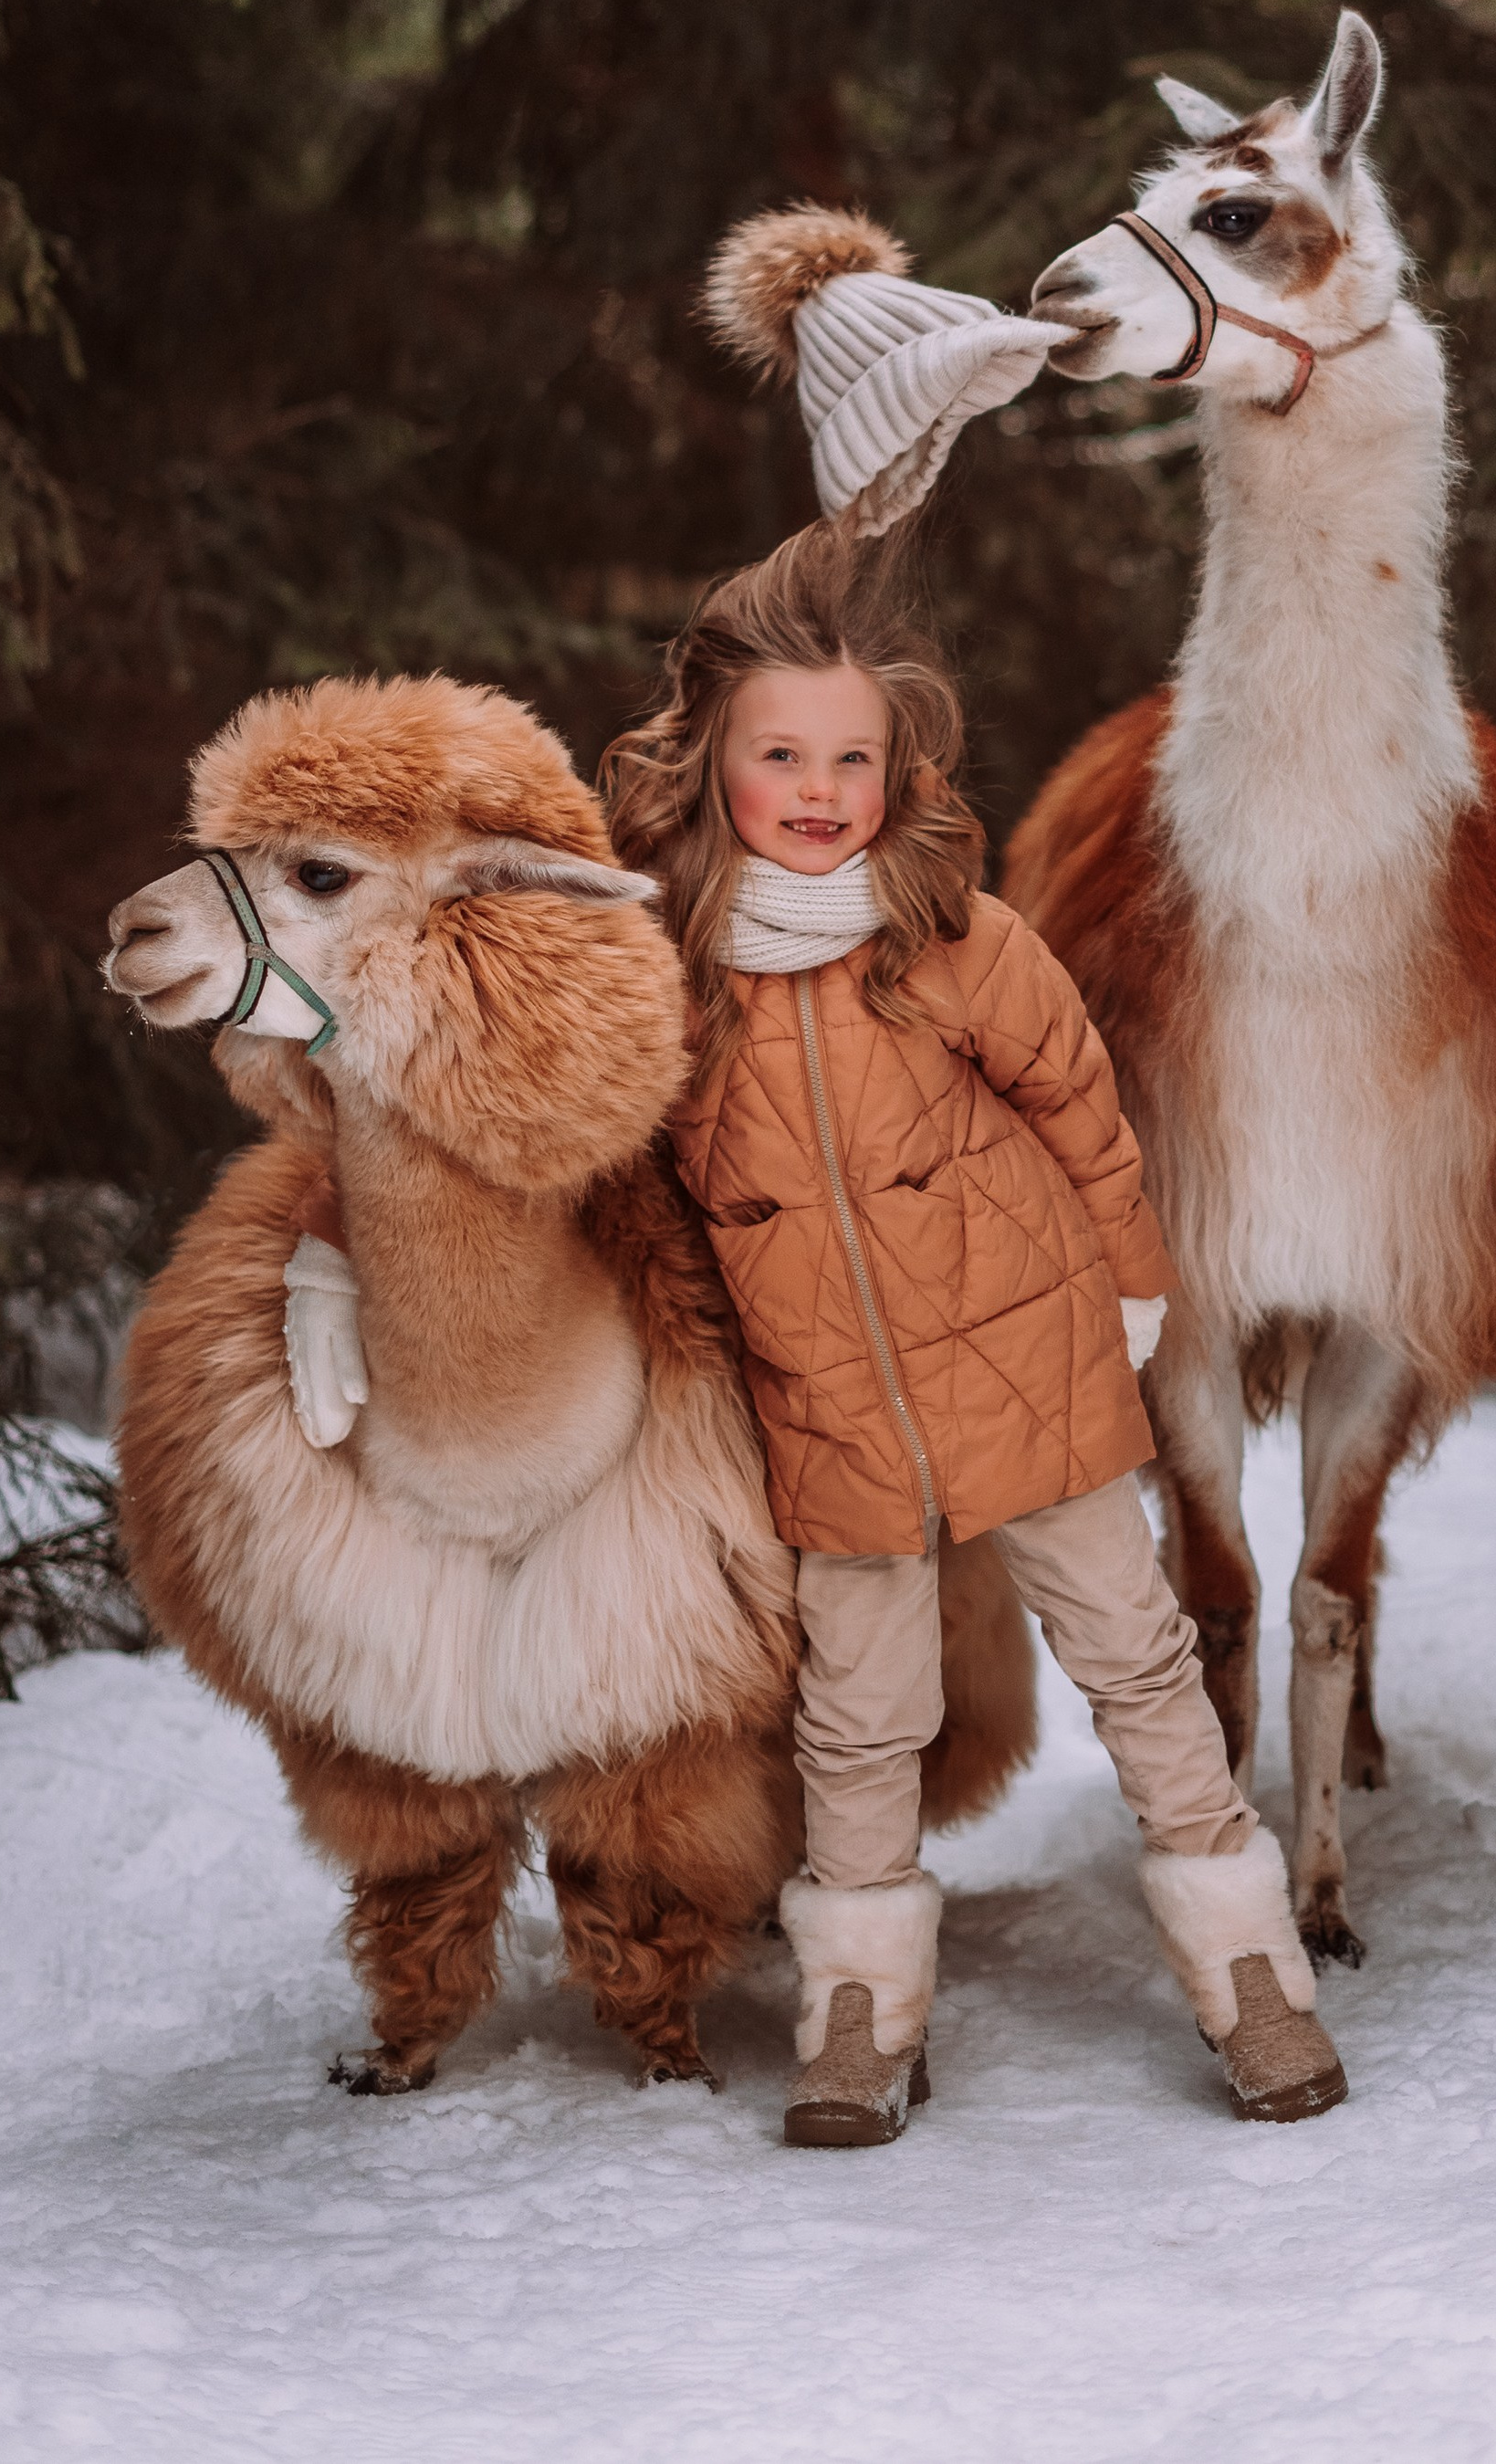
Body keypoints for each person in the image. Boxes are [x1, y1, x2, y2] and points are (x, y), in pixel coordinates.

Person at [602, 522, 1346, 2147]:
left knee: (1137, 1664)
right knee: (859, 1715)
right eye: (780, 754)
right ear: (710, 763)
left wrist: (1136, 1277)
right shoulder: (670, 983)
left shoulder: (953, 936)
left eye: (851, 757)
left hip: (1039, 1369)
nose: (818, 787)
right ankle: (863, 2005)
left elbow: (1081, 1103)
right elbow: (592, 1162)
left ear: (899, 769)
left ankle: (1245, 1966)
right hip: (832, 1412)